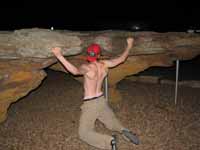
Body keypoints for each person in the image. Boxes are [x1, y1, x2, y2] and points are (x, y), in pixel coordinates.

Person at [52, 37, 139, 150]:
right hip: (101, 99)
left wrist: (59, 55)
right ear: (98, 55)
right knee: (110, 121)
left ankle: (109, 142)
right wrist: (129, 45)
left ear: (88, 54)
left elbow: (74, 71)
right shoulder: (104, 64)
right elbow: (121, 59)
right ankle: (124, 130)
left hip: (91, 103)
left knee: (84, 133)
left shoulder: (87, 67)